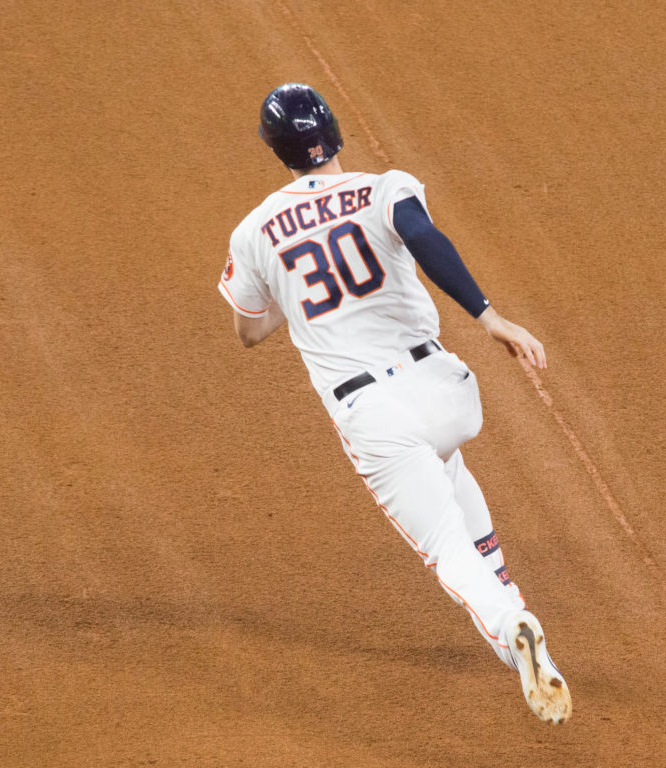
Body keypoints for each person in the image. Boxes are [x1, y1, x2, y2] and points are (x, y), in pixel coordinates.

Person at [218, 83, 571, 724]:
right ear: (334, 132)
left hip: (374, 415)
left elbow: (247, 331)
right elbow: (423, 237)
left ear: (279, 152)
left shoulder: (252, 234)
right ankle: (507, 591)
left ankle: (510, 621)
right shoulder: (386, 187)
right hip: (444, 389)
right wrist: (491, 319)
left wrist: (290, 297)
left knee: (442, 542)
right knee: (446, 464)